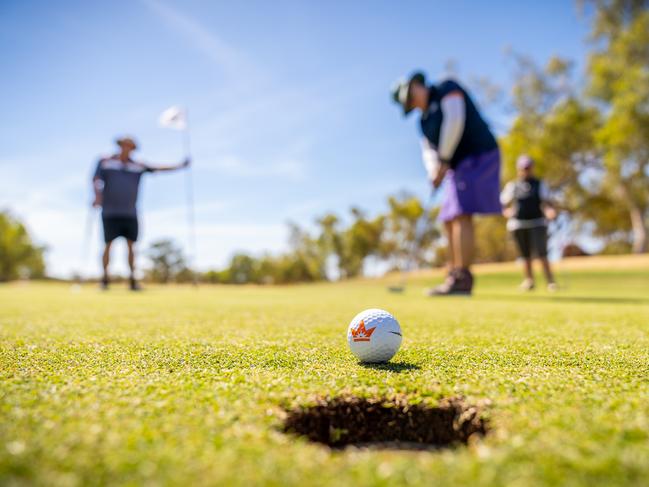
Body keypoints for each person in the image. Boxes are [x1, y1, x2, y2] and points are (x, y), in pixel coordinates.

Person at [391, 72, 501, 295]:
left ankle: (463, 277)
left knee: (461, 214)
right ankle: (453, 273)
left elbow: (455, 121)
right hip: (455, 164)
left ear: (417, 85)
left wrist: (443, 159)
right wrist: (434, 171)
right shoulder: (423, 123)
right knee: (447, 218)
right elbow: (428, 150)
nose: (414, 104)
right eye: (409, 105)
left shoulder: (446, 88)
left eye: (411, 97)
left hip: (478, 154)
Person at [92, 136, 189, 290]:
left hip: (130, 212)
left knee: (131, 247)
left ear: (133, 148)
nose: (126, 148)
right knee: (108, 245)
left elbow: (158, 168)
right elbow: (96, 179)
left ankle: (132, 281)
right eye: (124, 145)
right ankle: (105, 280)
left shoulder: (137, 165)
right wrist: (97, 196)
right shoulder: (105, 161)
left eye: (130, 146)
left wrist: (180, 166)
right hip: (110, 212)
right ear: (120, 146)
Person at [500, 155, 558, 291]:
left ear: (532, 168)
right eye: (523, 168)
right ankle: (529, 281)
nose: (526, 171)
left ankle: (550, 282)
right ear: (518, 169)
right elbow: (502, 204)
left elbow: (548, 202)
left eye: (528, 168)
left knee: (542, 253)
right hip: (518, 224)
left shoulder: (540, 184)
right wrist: (506, 212)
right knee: (525, 255)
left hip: (538, 222)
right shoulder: (512, 186)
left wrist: (550, 211)